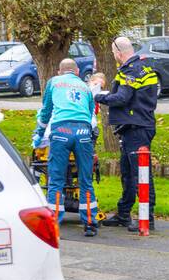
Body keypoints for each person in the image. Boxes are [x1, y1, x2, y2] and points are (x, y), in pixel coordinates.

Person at [93, 36, 158, 231]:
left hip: (137, 128)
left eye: (114, 53)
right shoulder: (144, 66)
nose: (114, 56)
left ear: (119, 53)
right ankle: (123, 214)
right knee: (128, 173)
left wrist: (97, 96)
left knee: (141, 173)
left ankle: (148, 218)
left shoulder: (131, 71)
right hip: (133, 127)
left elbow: (122, 98)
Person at [33, 58, 98, 237]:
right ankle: (90, 224)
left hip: (61, 131)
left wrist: (39, 134)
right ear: (77, 72)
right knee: (86, 180)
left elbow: (46, 112)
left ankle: (53, 224)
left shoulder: (53, 82)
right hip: (83, 131)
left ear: (59, 72)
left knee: (56, 181)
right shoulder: (85, 87)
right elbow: (91, 114)